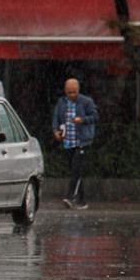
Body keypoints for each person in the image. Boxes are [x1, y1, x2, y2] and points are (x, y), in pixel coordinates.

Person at [52, 78, 99, 210]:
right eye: (69, 92)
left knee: (77, 169)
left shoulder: (86, 102)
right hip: (68, 141)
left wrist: (82, 120)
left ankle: (70, 196)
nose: (72, 95)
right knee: (75, 171)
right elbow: (56, 118)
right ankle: (82, 200)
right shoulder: (61, 103)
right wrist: (56, 131)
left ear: (78, 91)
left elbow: (95, 117)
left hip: (82, 142)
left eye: (74, 92)